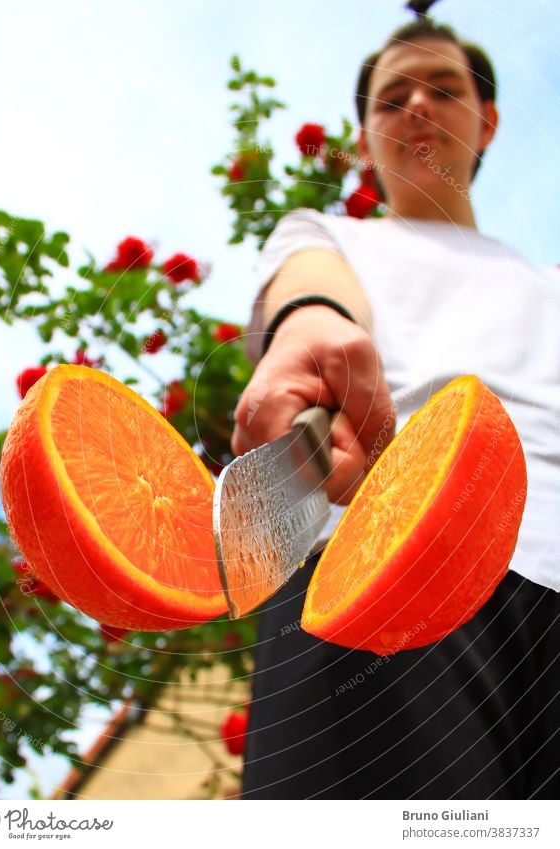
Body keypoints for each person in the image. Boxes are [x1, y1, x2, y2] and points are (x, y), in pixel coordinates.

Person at [233, 17, 560, 799]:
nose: (417, 103)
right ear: (362, 137)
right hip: (378, 563)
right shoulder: (326, 234)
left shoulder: (546, 284)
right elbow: (312, 297)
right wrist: (311, 330)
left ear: (485, 122)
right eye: (391, 97)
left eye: (443, 89)